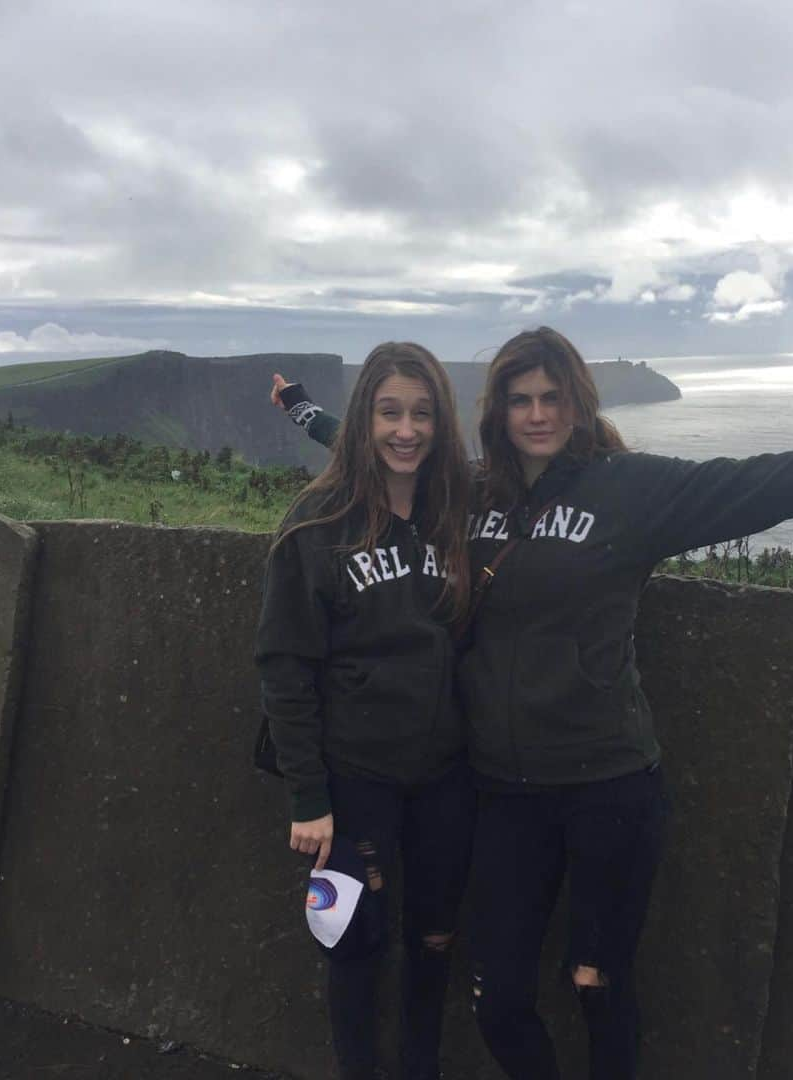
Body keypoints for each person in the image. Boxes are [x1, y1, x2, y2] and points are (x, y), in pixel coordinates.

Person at [271, 327, 793, 1080]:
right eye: (521, 399)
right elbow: (377, 448)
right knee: (494, 999)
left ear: (580, 403)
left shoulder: (634, 491)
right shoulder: (472, 490)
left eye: (554, 398)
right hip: (499, 793)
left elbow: (780, 479)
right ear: (498, 411)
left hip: (605, 782)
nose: (538, 414)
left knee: (597, 986)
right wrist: (301, 410)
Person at [255, 342, 474, 1080]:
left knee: (436, 940)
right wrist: (308, 797)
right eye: (387, 412)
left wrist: (295, 406)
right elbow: (284, 667)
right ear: (363, 419)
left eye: (421, 413)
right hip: (353, 783)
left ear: (441, 422)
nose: (405, 430)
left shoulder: (455, 510)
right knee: (351, 941)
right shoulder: (317, 523)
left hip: (446, 776)